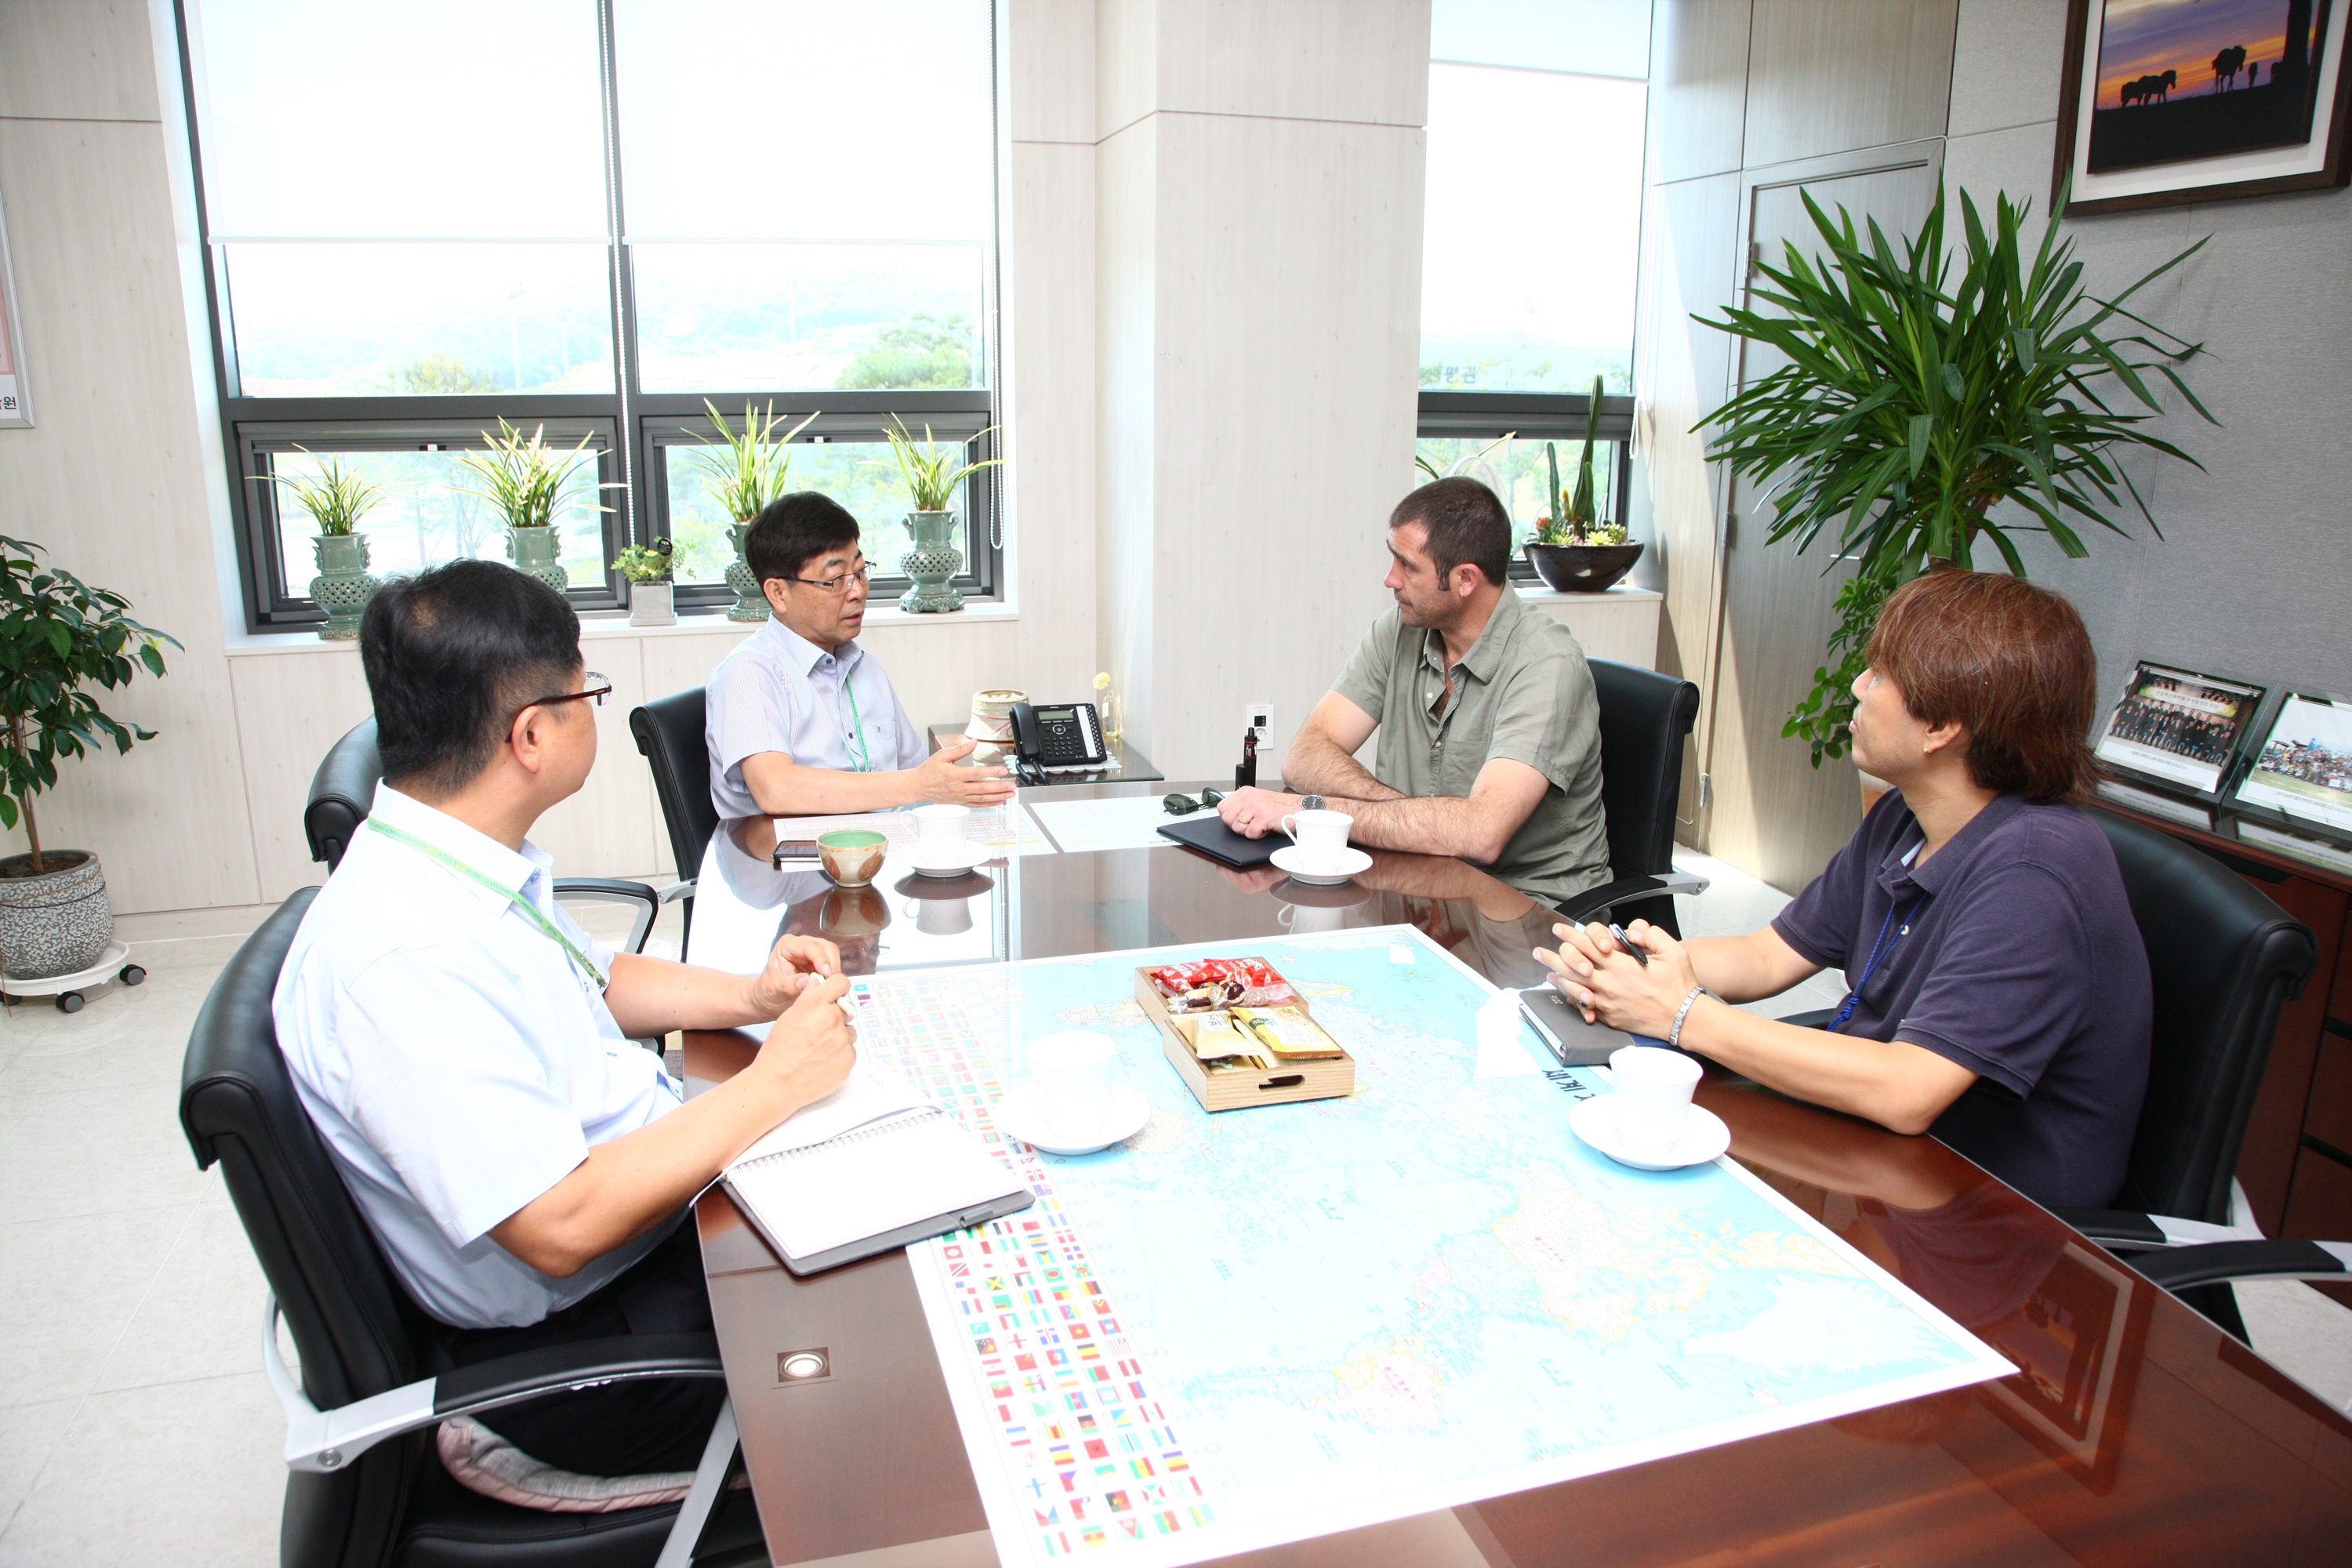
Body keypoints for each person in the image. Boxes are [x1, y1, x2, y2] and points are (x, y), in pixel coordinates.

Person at [274, 559, 860, 1476]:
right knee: (908, 1350)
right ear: (532, 734)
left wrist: (750, 995)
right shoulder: (404, 954)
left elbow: (589, 979)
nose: (592, 703)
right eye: (586, 688)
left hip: (654, 1226)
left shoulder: (452, 856)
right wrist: (779, 1078)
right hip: (592, 1352)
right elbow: (560, 1222)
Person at [1537, 571, 2152, 1210]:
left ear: (1943, 726)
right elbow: (1770, 954)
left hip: (1995, 1212)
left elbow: (1907, 1092)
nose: (1858, 686)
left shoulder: (2035, 874)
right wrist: (1628, 963)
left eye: (1881, 675)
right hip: (1883, 1156)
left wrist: (1682, 1013)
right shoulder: (1907, 817)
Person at [1215, 477, 1610, 906]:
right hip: (1420, 881)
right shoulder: (1400, 630)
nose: (1390, 579)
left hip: (1527, 911)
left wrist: (1310, 811)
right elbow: (1306, 755)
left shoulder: (1547, 665)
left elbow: (1481, 835)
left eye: (1408, 566)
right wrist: (1407, 815)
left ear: (1465, 579)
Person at [705, 491, 1014, 819]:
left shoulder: (866, 668)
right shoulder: (750, 672)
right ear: (778, 593)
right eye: (837, 579)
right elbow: (776, 788)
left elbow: (917, 773)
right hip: (788, 865)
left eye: (860, 571)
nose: (858, 592)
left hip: (882, 856)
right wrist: (918, 785)